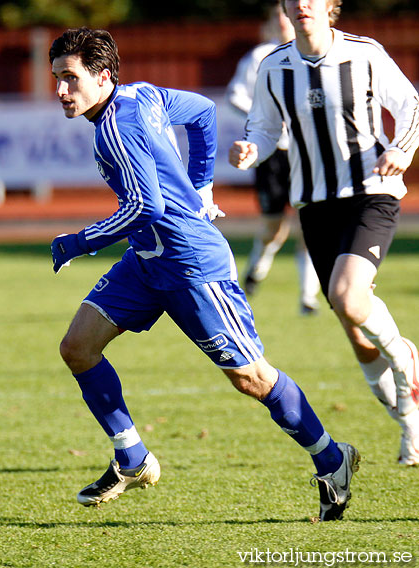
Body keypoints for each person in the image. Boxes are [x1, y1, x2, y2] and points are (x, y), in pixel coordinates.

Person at [49, 26, 359, 521]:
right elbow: (203, 113)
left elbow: (144, 207)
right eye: (57, 79)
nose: (61, 91)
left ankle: (331, 458)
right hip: (147, 262)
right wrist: (201, 187)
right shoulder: (142, 96)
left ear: (103, 75)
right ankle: (132, 457)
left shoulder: (116, 127)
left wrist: (76, 242)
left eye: (70, 77)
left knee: (251, 377)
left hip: (192, 265)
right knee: (77, 348)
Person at [229, 0, 419, 465]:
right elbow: (264, 129)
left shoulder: (365, 53)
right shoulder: (274, 66)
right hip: (314, 203)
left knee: (349, 297)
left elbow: (411, 104)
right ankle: (411, 425)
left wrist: (401, 149)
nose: (302, 5)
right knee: (352, 323)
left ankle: (403, 360)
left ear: (330, 5)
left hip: (371, 192)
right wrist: (249, 149)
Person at [226, 3, 321, 314]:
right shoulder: (259, 57)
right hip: (270, 154)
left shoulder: (316, 52)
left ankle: (308, 298)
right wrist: (265, 115)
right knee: (273, 227)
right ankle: (255, 272)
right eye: (280, 13)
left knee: (309, 225)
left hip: (307, 151)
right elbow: (236, 95)